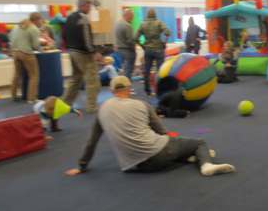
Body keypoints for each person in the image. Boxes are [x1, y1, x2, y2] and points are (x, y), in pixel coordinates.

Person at [65, 76, 235, 177]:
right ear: (129, 89)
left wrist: (81, 166)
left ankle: (189, 156)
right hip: (159, 156)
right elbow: (162, 132)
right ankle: (206, 165)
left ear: (111, 91)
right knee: (198, 143)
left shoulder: (102, 109)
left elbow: (92, 141)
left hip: (135, 166)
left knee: (174, 148)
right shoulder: (142, 104)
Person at [62, 0, 101, 114]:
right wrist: (94, 52)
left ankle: (65, 104)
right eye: (89, 6)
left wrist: (69, 47)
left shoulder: (69, 17)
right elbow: (87, 39)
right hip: (83, 54)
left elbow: (64, 35)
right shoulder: (84, 19)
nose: (90, 9)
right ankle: (92, 106)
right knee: (92, 81)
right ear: (83, 6)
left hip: (72, 51)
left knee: (75, 79)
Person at [136, 9, 171, 96]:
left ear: (147, 15)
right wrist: (164, 43)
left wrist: (142, 46)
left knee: (147, 71)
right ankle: (160, 90)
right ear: (155, 14)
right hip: (158, 49)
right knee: (161, 70)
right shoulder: (159, 23)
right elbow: (168, 32)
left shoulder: (142, 24)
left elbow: (135, 38)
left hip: (148, 49)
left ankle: (147, 90)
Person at [10, 12, 42, 102]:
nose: (41, 22)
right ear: (36, 20)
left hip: (15, 52)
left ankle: (13, 95)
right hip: (26, 53)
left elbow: (11, 38)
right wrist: (42, 48)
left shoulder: (18, 26)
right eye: (40, 20)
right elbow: (36, 46)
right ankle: (31, 99)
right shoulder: (34, 28)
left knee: (17, 75)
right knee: (34, 75)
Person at [115, 8, 136, 80]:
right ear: (128, 15)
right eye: (132, 16)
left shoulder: (117, 24)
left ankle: (123, 84)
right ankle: (127, 85)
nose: (132, 18)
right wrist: (134, 49)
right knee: (128, 71)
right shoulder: (127, 25)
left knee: (123, 69)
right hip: (128, 51)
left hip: (120, 50)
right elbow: (130, 41)